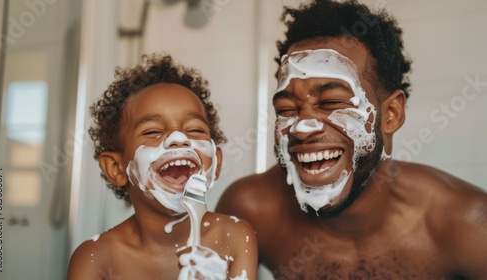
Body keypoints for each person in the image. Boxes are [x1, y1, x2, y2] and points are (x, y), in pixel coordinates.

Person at [216, 0, 487, 279]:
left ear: (391, 114)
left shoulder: (468, 225)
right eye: (286, 109)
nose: (302, 128)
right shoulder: (250, 210)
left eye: (331, 102)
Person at [67, 53, 257, 280]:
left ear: (215, 163)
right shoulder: (96, 258)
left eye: (195, 130)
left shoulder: (234, 237)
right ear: (117, 168)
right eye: (153, 132)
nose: (178, 138)